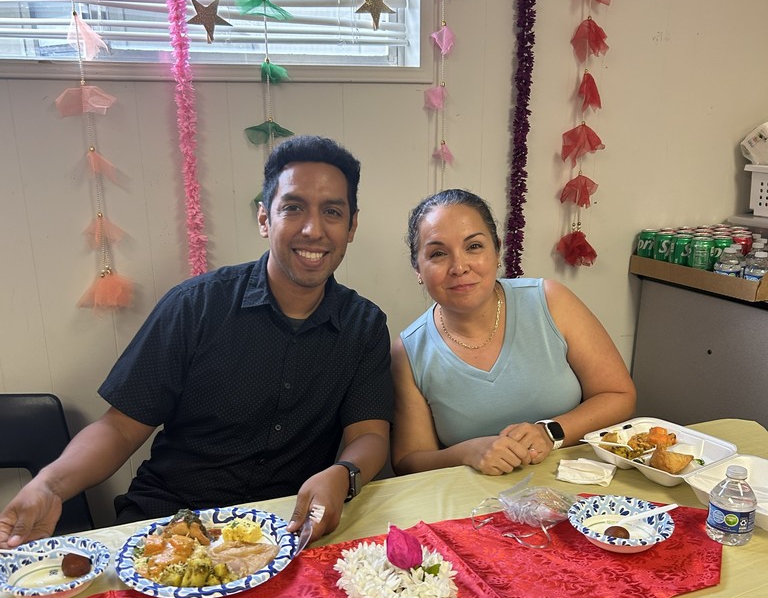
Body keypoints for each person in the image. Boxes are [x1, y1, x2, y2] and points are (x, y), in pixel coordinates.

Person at [0, 136, 393, 547]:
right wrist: (50, 485)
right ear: (265, 219)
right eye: (293, 208)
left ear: (351, 227)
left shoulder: (363, 325)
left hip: (285, 528)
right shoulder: (197, 306)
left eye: (332, 212)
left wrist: (344, 473)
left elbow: (369, 435)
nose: (313, 229)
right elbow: (119, 428)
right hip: (170, 521)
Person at [391, 188, 636, 476]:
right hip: (476, 507)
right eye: (438, 253)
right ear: (417, 268)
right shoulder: (408, 351)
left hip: (578, 486)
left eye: (473, 247)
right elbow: (409, 461)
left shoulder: (551, 301)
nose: (459, 267)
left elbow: (619, 394)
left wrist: (550, 432)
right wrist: (467, 453)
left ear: (497, 251)